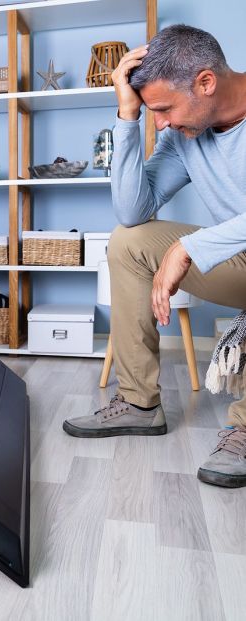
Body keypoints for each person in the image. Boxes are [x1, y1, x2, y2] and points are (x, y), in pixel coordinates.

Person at [62, 24, 246, 488]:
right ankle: (140, 402)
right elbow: (132, 210)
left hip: (224, 248)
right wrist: (127, 116)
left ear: (206, 83)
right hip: (238, 260)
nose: (159, 122)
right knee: (126, 241)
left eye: (162, 109)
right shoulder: (186, 135)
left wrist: (188, 247)